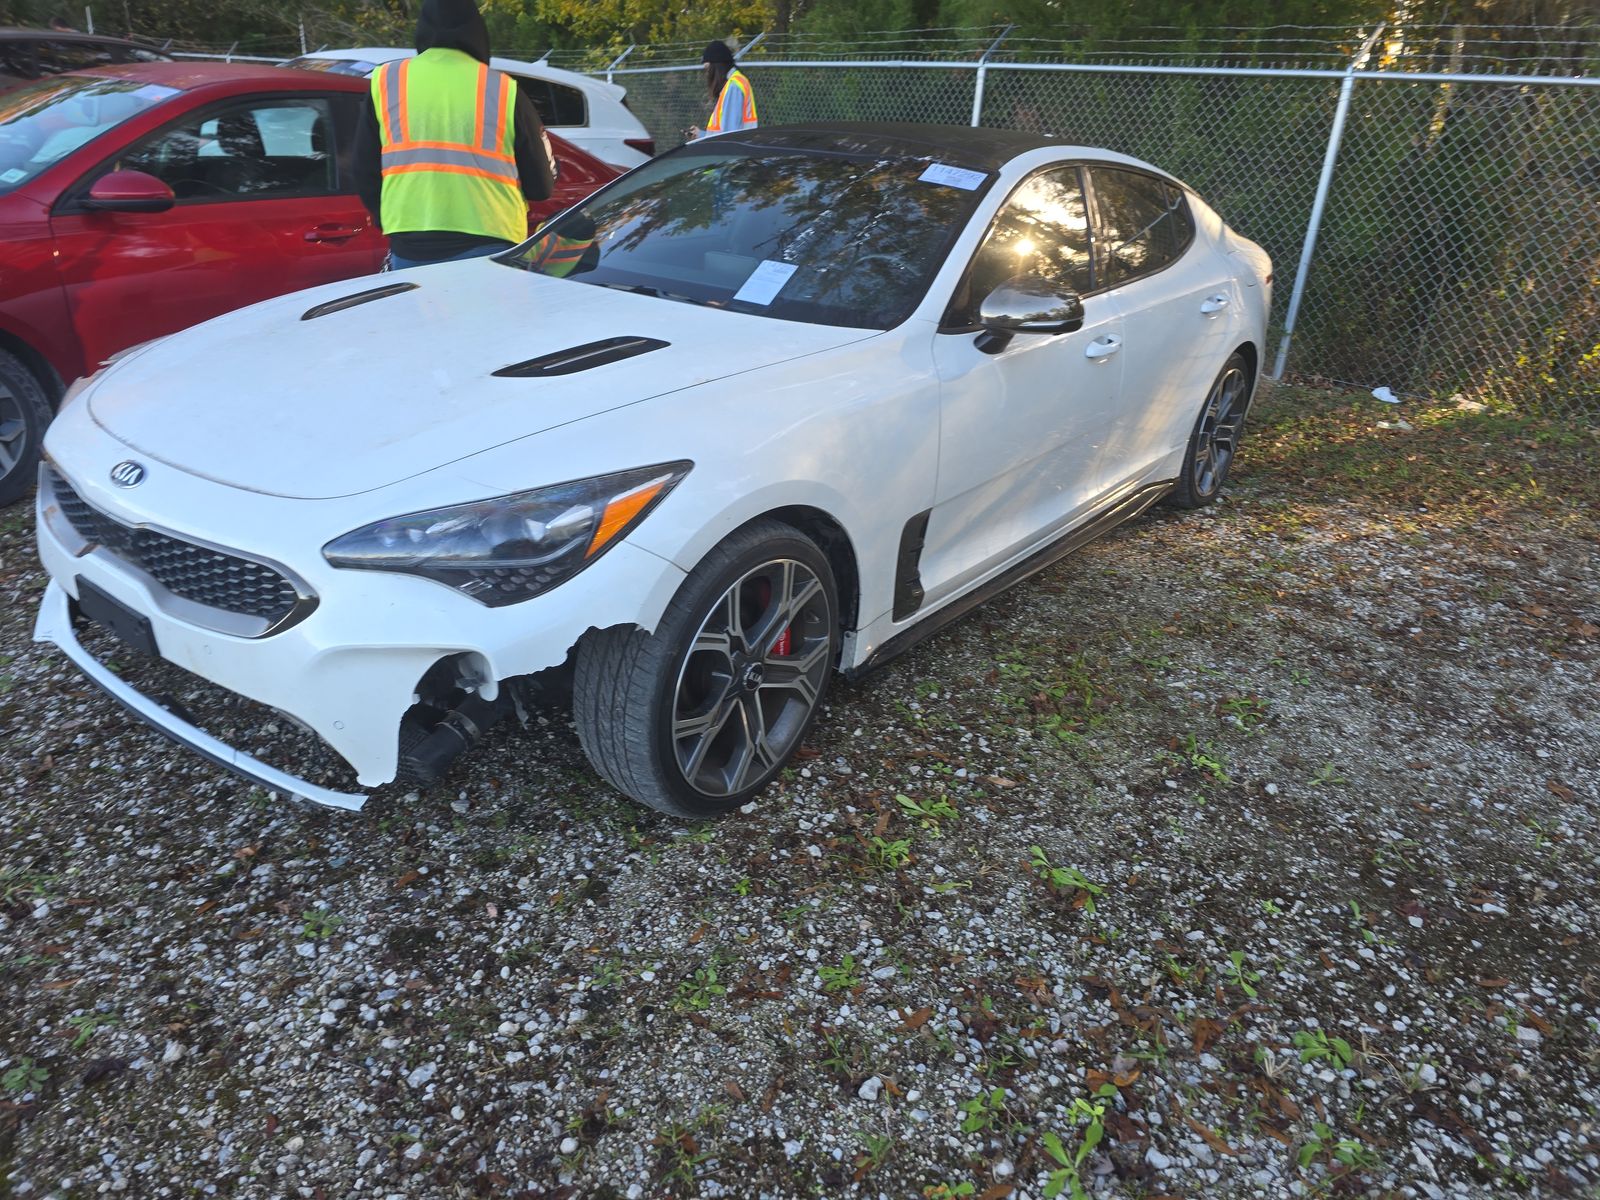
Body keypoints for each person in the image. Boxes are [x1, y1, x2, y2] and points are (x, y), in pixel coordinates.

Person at [353, 0, 556, 271]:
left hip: (411, 242)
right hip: (492, 239)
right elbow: (541, 187)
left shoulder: (386, 80)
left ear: (422, 29)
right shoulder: (503, 89)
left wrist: (390, 219)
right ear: (478, 33)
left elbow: (362, 167)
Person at [687, 40, 756, 141]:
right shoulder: (734, 83)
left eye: (707, 68)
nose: (706, 74)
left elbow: (729, 137)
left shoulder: (733, 87)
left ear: (716, 67)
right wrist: (701, 135)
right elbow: (725, 133)